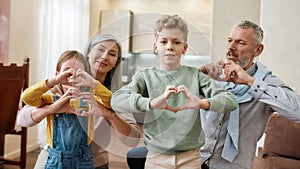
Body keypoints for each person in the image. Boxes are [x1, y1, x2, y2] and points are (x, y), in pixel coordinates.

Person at [111, 14, 238, 169]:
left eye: (176, 42)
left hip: (190, 158)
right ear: (155, 46)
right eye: (164, 41)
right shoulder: (144, 76)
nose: (169, 46)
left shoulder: (196, 76)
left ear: (184, 48)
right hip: (156, 158)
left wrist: (202, 103)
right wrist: (150, 103)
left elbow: (230, 100)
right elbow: (116, 100)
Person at [17, 34, 141, 169]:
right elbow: (22, 120)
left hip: (92, 161)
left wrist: (108, 113)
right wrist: (51, 108)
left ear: (116, 62)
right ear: (89, 52)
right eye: (100, 49)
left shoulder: (116, 96)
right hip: (53, 158)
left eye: (112, 54)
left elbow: (132, 140)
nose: (105, 56)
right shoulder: (62, 86)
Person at [199, 20, 300, 169]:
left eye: (240, 42)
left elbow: (297, 111)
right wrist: (198, 74)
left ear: (257, 50)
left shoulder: (265, 81)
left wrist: (250, 82)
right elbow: (174, 101)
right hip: (196, 161)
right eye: (229, 40)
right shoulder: (213, 75)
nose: (231, 47)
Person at [21, 50, 102, 168]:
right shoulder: (50, 99)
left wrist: (92, 84)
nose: (72, 77)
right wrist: (53, 81)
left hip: (83, 158)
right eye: (67, 72)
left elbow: (109, 103)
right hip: (56, 158)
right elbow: (26, 98)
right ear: (58, 74)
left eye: (79, 73)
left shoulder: (89, 99)